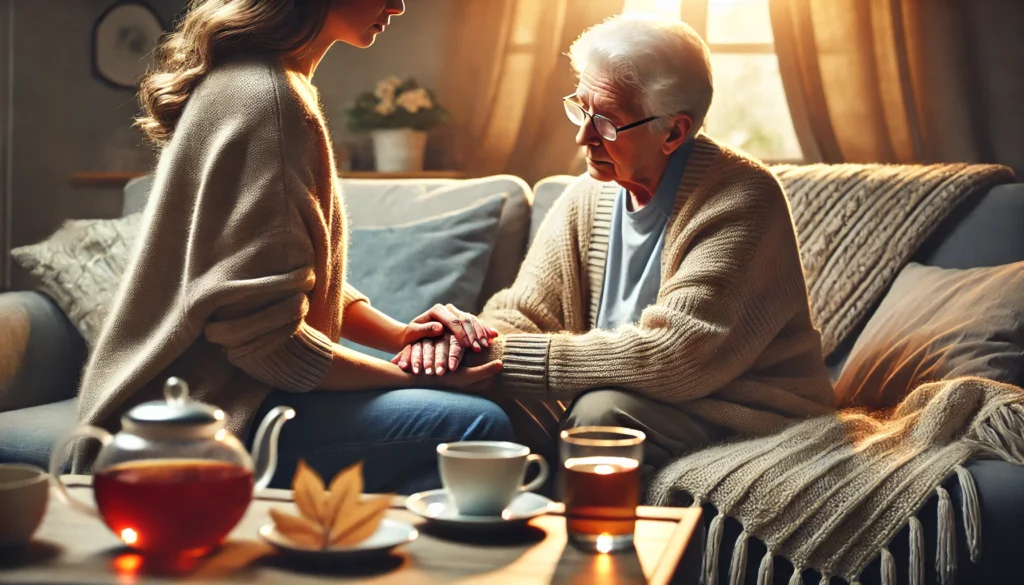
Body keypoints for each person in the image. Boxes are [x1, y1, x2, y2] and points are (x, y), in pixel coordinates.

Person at [71, 0, 513, 495]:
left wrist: (399, 337)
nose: (399, 4)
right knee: (474, 425)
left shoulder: (252, 80)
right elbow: (267, 345)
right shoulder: (271, 102)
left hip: (179, 406)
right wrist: (411, 380)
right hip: (188, 426)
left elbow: (275, 274)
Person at [396, 14, 834, 474]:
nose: (583, 136)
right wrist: (462, 341)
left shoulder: (742, 198)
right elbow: (523, 313)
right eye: (581, 109)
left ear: (674, 132)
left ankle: (578, 545)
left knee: (601, 416)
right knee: (468, 400)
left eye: (606, 122)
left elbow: (676, 356)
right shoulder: (589, 193)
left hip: (737, 407)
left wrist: (498, 354)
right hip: (626, 394)